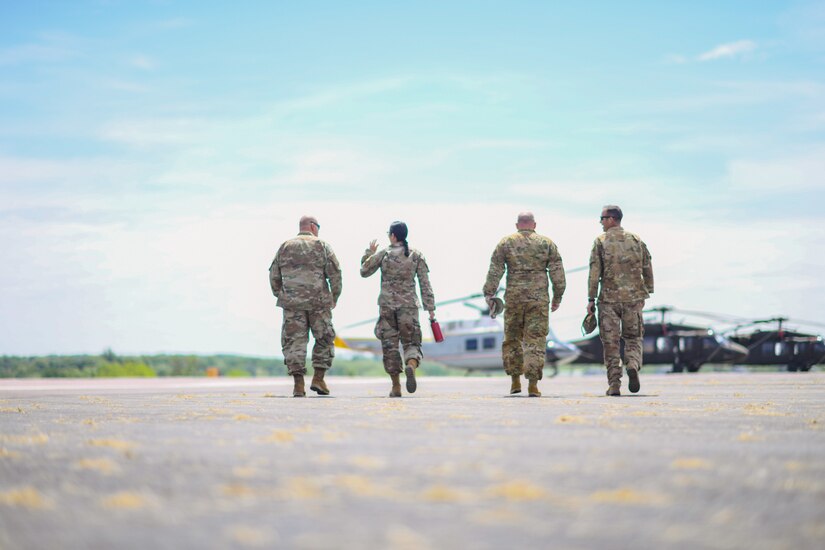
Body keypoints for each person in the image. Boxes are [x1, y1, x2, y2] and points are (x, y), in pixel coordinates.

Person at [483, 212, 566, 397]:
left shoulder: (506, 243)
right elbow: (558, 273)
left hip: (514, 299)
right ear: (534, 224)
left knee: (512, 339)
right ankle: (533, 385)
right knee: (535, 340)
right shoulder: (546, 243)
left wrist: (489, 293)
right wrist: (557, 296)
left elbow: (495, 269)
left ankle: (515, 381)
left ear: (517, 225)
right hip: (538, 301)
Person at [361, 221, 436, 397]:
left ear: (393, 236)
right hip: (409, 307)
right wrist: (430, 308)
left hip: (387, 307)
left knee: (390, 346)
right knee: (411, 343)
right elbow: (425, 284)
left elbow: (364, 271)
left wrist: (368, 253)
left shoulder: (383, 254)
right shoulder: (416, 255)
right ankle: (411, 365)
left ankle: (396, 386)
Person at [269, 215, 342, 397]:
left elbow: (274, 274)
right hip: (319, 302)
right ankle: (318, 378)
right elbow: (335, 273)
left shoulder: (285, 246)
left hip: (292, 304)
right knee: (324, 338)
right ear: (312, 226)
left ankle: (298, 385)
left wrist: (282, 294)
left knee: (294, 342)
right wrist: (335, 296)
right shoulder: (322, 246)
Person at [586, 205, 654, 396]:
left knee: (611, 343)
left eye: (602, 218)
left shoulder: (600, 241)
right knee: (633, 337)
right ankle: (632, 363)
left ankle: (614, 384)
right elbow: (647, 266)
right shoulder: (636, 240)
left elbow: (594, 272)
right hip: (633, 299)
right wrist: (648, 289)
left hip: (608, 300)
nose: (600, 222)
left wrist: (591, 298)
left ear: (612, 219)